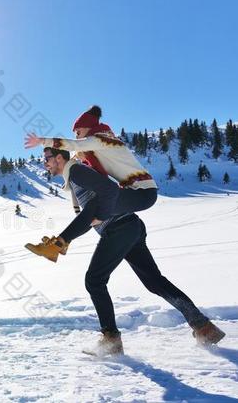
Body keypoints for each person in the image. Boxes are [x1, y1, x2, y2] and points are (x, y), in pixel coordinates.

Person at [27, 147, 225, 355]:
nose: (45, 164)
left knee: (94, 281)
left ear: (59, 157)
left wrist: (62, 241)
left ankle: (111, 340)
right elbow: (91, 216)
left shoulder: (76, 171)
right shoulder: (76, 177)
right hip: (130, 226)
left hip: (120, 228)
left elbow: (109, 193)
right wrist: (65, 239)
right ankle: (203, 327)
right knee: (154, 282)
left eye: (46, 159)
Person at [24, 106, 158, 258]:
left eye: (78, 132)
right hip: (140, 192)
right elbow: (78, 155)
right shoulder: (99, 144)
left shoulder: (102, 138)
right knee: (94, 206)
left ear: (87, 127)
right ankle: (61, 243)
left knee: (95, 205)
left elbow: (76, 145)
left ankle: (59, 244)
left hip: (143, 193)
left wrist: (44, 141)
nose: (78, 136)